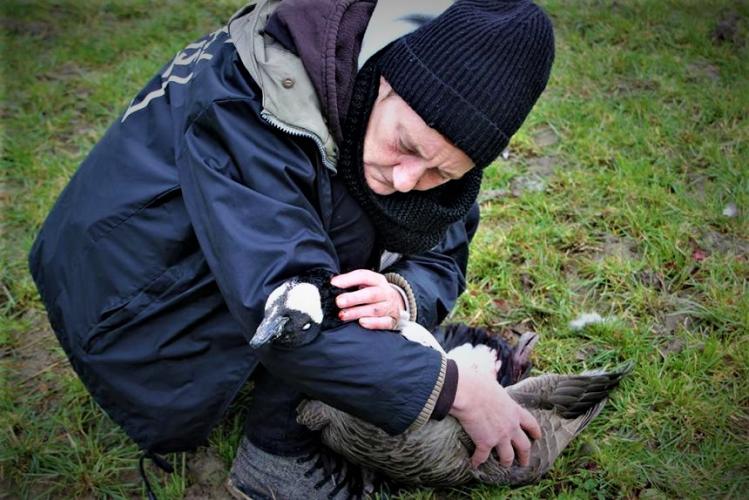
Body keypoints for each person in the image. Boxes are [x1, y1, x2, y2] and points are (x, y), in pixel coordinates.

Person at [28, 0, 555, 498]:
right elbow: (283, 310)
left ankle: (380, 352)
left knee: (381, 207)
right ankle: (278, 458)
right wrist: (455, 388)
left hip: (223, 272)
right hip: (134, 316)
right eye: (407, 146)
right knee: (337, 242)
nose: (405, 176)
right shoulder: (250, 105)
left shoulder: (411, 115)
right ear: (387, 81)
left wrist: (403, 296)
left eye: (443, 171)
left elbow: (446, 249)